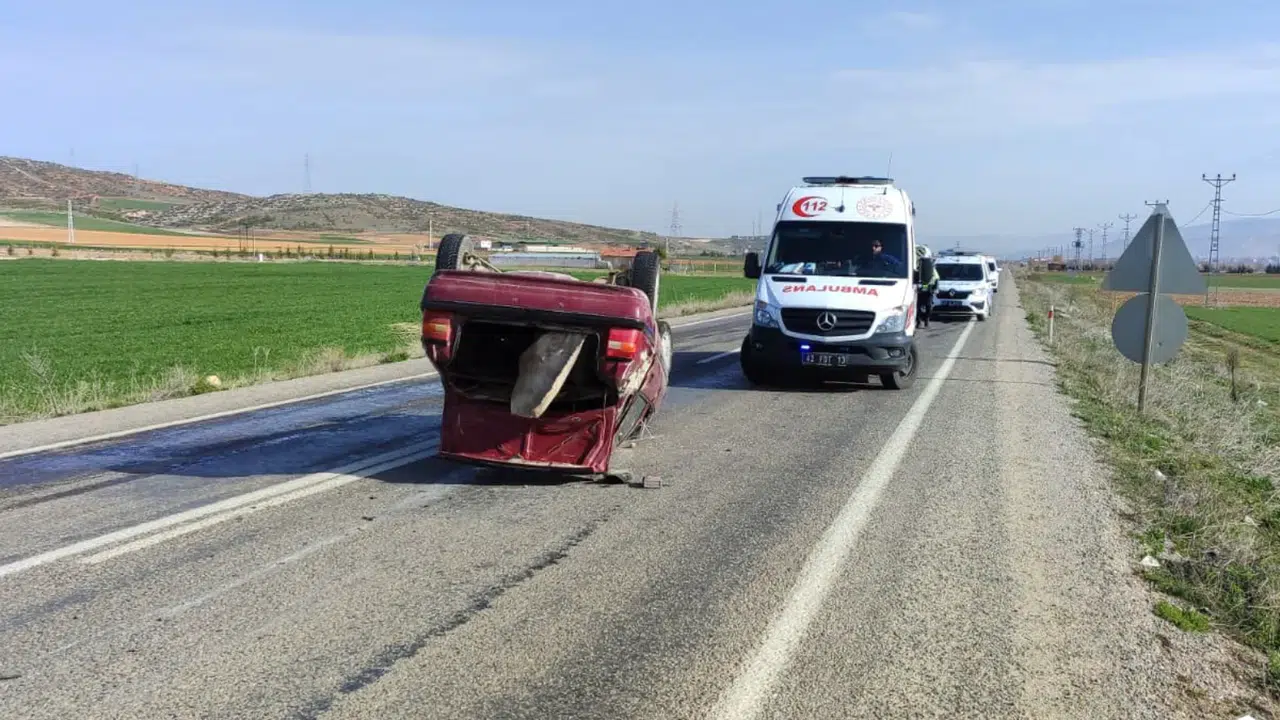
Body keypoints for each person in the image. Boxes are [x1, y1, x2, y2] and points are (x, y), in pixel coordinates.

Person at [915, 246, 940, 328]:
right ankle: (918, 321)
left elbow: (936, 278)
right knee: (917, 307)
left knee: (928, 306)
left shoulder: (931, 268)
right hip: (918, 290)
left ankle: (926, 320)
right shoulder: (915, 267)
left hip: (929, 289)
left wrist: (936, 288)